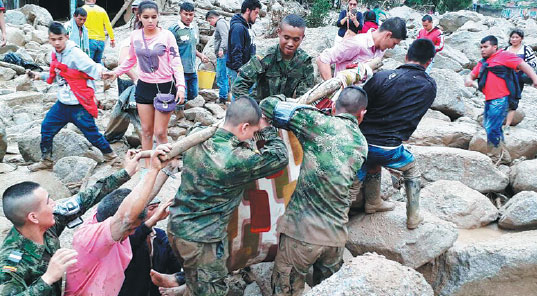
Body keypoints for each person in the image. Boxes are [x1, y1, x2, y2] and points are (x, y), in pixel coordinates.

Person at [166, 97, 289, 295]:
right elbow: (280, 157)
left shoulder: (198, 135)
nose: (252, 137)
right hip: (203, 243)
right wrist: (266, 129)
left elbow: (198, 129)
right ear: (244, 127)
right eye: (252, 132)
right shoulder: (236, 159)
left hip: (176, 227)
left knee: (195, 280)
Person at [260, 87, 368, 295]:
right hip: (335, 240)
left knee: (286, 290)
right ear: (362, 113)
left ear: (334, 107)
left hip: (302, 236)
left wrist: (288, 99)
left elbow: (268, 104)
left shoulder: (319, 123)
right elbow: (354, 186)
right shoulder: (362, 143)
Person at [0, 150, 141, 295]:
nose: (54, 204)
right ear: (33, 217)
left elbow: (85, 198)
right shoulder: (11, 260)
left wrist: (126, 172)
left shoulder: (49, 223)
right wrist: (47, 279)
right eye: (48, 202)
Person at [64, 145, 170, 295]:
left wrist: (165, 169)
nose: (133, 232)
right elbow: (126, 217)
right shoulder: (90, 238)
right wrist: (152, 170)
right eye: (131, 228)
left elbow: (138, 200)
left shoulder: (104, 213)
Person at [357, 39, 437, 229]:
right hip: (390, 148)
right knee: (411, 170)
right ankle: (413, 216)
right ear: (429, 61)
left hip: (361, 144)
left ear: (407, 55)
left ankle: (351, 213)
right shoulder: (429, 86)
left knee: (358, 176)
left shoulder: (382, 76)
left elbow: (360, 104)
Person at [26, 22, 117, 172]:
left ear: (66, 37)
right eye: (53, 39)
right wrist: (39, 76)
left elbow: (92, 67)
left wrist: (104, 73)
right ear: (49, 39)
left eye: (60, 39)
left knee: (92, 135)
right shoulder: (55, 54)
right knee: (46, 128)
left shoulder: (75, 53)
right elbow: (56, 76)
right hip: (62, 105)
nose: (57, 42)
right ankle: (46, 160)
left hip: (79, 104)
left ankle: (113, 158)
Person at [104, 1, 186, 166]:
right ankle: (147, 167)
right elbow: (130, 60)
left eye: (154, 17)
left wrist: (181, 87)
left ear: (158, 17)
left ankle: (164, 164)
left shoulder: (167, 36)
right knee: (146, 131)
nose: (150, 21)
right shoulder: (135, 36)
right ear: (139, 16)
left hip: (165, 87)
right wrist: (115, 72)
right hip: (143, 87)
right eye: (146, 17)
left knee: (160, 132)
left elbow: (176, 62)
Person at [465, 35, 537, 164]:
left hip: (501, 99)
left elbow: (523, 65)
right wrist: (469, 79)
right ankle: (503, 156)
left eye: (485, 47)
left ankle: (494, 156)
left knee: (491, 127)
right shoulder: (483, 62)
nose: (482, 50)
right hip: (489, 99)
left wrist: (535, 78)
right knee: (493, 127)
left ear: (494, 47)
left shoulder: (505, 56)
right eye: (481, 47)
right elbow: (472, 74)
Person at [232, 14, 314, 102]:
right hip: (260, 109)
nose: (290, 43)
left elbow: (305, 96)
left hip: (285, 109)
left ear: (302, 38)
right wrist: (252, 108)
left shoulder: (304, 62)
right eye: (286, 38)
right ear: (279, 32)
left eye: (296, 39)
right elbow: (239, 85)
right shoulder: (265, 57)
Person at [317, 17, 407, 80]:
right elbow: (323, 59)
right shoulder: (357, 43)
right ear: (388, 35)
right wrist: (331, 90)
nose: (392, 47)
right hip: (343, 101)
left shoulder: (380, 50)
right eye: (394, 43)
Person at [169, 2, 209, 104]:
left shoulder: (193, 28)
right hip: (179, 71)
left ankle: (192, 117)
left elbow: (191, 47)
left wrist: (200, 55)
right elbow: (167, 49)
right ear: (180, 13)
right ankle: (179, 117)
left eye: (190, 15)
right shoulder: (174, 29)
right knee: (182, 98)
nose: (188, 17)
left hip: (192, 70)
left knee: (194, 97)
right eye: (185, 14)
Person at [504, 29, 537, 130]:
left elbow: (534, 62)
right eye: (512, 37)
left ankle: (507, 124)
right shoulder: (506, 49)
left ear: (521, 39)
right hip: (506, 78)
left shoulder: (526, 49)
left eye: (516, 37)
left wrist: (522, 67)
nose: (513, 39)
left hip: (519, 79)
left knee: (513, 100)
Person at [227, 0, 262, 87]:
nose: (257, 16)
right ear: (248, 10)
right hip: (239, 71)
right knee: (239, 98)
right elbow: (236, 49)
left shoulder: (247, 26)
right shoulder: (238, 27)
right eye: (256, 12)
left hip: (246, 69)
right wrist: (239, 70)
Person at [206, 10, 230, 103]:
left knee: (221, 75)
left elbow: (225, 36)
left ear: (213, 18)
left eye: (209, 21)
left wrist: (221, 49)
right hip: (224, 53)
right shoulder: (223, 22)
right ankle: (226, 95)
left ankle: (222, 97)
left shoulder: (220, 23)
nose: (210, 23)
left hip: (223, 54)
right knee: (224, 75)